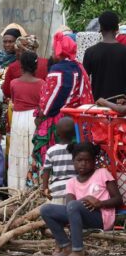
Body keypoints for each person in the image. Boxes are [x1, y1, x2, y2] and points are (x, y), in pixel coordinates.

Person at [40, 142, 123, 256]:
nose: (83, 164)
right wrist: (83, 201)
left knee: (74, 206)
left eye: (87, 160)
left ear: (94, 161)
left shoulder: (102, 173)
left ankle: (78, 251)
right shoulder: (71, 182)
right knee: (46, 210)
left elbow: (118, 199)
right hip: (78, 216)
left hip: (100, 217)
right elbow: (69, 206)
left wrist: (100, 203)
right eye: (79, 160)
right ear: (73, 161)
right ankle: (65, 245)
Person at [32, 32, 94, 173]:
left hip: (57, 121)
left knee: (53, 157)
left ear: (60, 52)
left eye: (54, 50)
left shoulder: (57, 70)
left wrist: (41, 115)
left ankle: (49, 185)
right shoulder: (78, 67)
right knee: (72, 157)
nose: (52, 53)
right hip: (75, 120)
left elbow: (50, 100)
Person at [7, 51, 45, 189]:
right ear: (36, 66)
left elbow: (13, 100)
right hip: (34, 120)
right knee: (33, 152)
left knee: (18, 152)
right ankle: (33, 187)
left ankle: (16, 188)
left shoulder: (13, 83)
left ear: (21, 65)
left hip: (18, 120)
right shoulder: (42, 83)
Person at [83, 11, 126, 100]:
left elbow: (84, 82)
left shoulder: (90, 52)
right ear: (117, 28)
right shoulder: (124, 51)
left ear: (101, 28)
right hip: (121, 107)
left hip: (98, 107)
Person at [42, 117, 76, 205]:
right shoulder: (77, 149)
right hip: (75, 190)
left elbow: (46, 170)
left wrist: (44, 187)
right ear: (74, 133)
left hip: (57, 191)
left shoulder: (51, 151)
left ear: (56, 133)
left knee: (58, 215)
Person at [0, 28, 22, 99]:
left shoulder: (21, 60)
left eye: (11, 42)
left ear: (18, 43)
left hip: (13, 99)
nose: (7, 45)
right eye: (5, 42)